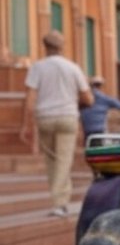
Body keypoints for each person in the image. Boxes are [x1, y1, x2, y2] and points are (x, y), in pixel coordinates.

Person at [19, 31, 94, 217]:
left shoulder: (38, 67)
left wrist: (26, 125)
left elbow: (30, 98)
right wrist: (74, 103)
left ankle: (58, 200)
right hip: (68, 117)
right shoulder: (73, 68)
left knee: (51, 160)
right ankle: (60, 202)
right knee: (63, 160)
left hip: (45, 117)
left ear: (45, 46)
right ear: (62, 46)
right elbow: (88, 98)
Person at [79, 76, 120, 143]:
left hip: (86, 129)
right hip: (99, 129)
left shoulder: (84, 98)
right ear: (101, 86)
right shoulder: (104, 98)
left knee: (88, 147)